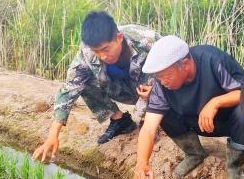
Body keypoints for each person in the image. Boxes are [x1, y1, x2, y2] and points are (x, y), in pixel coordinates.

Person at [133, 35, 244, 179]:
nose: (163, 82)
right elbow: (149, 128)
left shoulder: (212, 60)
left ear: (185, 64)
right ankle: (194, 153)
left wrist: (215, 102)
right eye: (159, 78)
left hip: (229, 121)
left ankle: (234, 167)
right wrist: (141, 162)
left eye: (167, 76)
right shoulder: (162, 86)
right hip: (196, 122)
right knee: (161, 112)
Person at [32, 11, 160, 162]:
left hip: (153, 90)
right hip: (121, 89)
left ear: (119, 38)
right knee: (82, 82)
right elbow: (69, 88)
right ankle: (120, 121)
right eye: (97, 51)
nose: (103, 56)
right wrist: (53, 135)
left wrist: (159, 90)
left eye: (106, 49)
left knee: (157, 88)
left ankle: (152, 120)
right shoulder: (87, 51)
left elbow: (179, 63)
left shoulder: (147, 40)